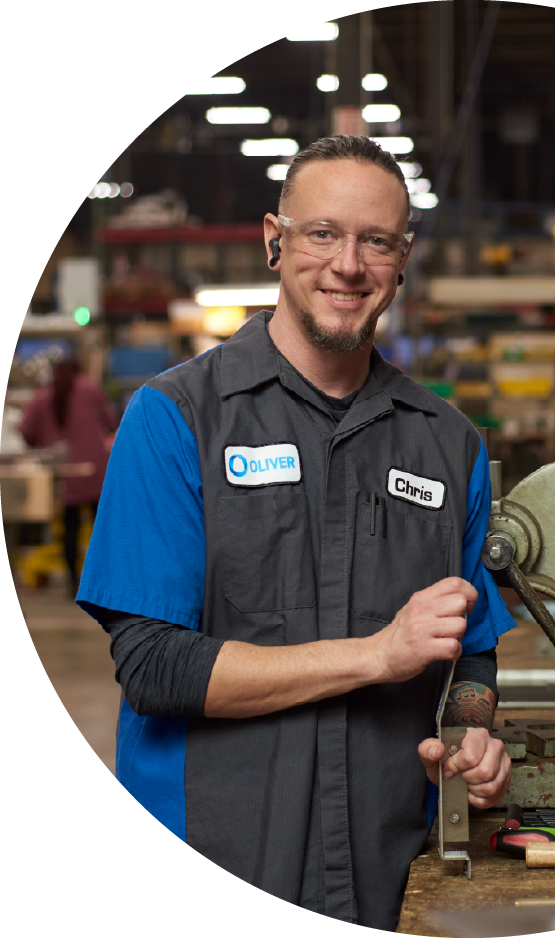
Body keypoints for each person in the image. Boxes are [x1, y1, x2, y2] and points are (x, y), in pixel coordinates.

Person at [76, 135, 516, 930]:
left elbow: (471, 650)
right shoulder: (176, 420)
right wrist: (376, 655)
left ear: (403, 257)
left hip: (388, 867)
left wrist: (471, 734)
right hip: (211, 857)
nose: (347, 265)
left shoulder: (450, 445)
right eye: (322, 234)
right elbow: (153, 668)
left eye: (375, 241)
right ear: (275, 239)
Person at [19, 357, 118, 595]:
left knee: (69, 529)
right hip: (95, 472)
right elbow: (111, 421)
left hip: (64, 475)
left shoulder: (43, 396)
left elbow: (26, 432)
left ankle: (73, 583)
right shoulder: (91, 389)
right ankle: (105, 580)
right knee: (101, 529)